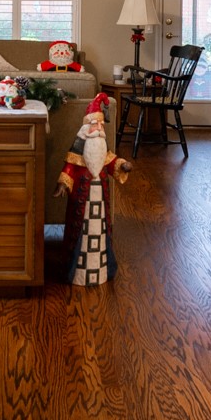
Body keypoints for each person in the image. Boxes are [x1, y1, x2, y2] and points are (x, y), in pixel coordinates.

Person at [59, 93, 131, 286]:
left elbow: (112, 163)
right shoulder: (77, 152)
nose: (99, 130)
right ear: (85, 129)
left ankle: (101, 270)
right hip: (82, 204)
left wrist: (122, 165)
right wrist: (64, 184)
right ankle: (77, 271)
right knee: (81, 236)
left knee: (99, 235)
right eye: (94, 125)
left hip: (100, 203)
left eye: (101, 126)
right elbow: (69, 168)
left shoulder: (103, 151)